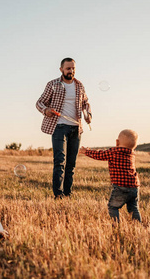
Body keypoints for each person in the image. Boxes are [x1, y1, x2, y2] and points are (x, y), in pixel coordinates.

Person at [36, 57, 92, 199]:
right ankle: (58, 195)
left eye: (73, 68)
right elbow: (39, 102)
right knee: (60, 161)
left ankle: (68, 193)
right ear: (61, 69)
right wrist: (46, 110)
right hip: (59, 126)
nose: (71, 71)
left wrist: (88, 114)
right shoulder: (53, 84)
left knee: (71, 164)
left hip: (76, 128)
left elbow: (85, 103)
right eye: (68, 68)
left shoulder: (79, 85)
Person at [79, 129, 141, 222]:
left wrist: (87, 151)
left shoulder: (114, 152)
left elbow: (99, 155)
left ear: (117, 142)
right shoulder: (132, 154)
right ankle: (138, 225)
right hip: (134, 187)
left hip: (121, 187)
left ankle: (115, 225)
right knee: (134, 208)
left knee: (113, 207)